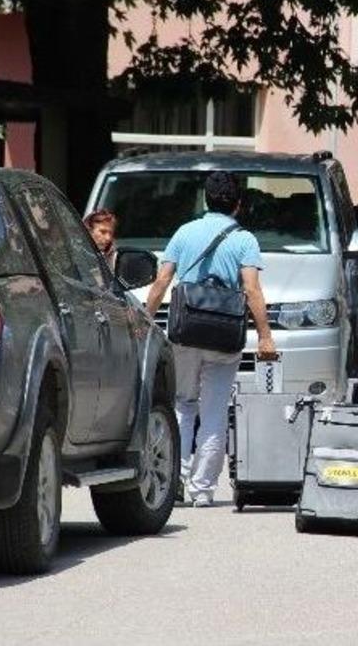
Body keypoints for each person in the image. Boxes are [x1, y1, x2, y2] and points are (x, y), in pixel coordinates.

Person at [144, 171, 276, 508]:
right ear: (238, 204)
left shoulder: (185, 232)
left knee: (181, 405)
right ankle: (202, 490)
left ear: (206, 199)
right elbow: (251, 290)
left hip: (185, 333)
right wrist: (265, 336)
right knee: (214, 411)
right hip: (224, 336)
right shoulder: (245, 240)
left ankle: (173, 480)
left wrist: (145, 320)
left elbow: (161, 281)